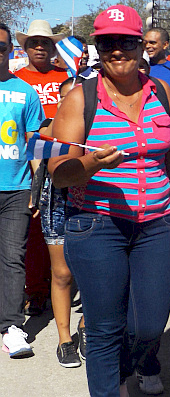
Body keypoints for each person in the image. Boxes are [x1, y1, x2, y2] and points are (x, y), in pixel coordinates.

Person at [48, 5, 170, 397]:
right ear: (98, 47)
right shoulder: (80, 98)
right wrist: (88, 163)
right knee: (105, 329)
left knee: (150, 326)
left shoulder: (160, 91)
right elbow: (58, 173)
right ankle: (108, 387)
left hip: (155, 225)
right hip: (97, 225)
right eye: (106, 42)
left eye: (125, 42)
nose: (116, 50)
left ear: (142, 46)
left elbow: (169, 157)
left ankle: (120, 374)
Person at [15, 19, 69, 316]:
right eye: (34, 42)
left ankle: (61, 283)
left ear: (52, 47)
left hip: (63, 161)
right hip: (28, 163)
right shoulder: (15, 80)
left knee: (63, 227)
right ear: (25, 47)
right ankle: (35, 290)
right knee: (35, 229)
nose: (39, 47)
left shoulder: (68, 77)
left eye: (45, 43)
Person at [32, 76, 85, 367]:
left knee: (95, 271)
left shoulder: (96, 123)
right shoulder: (49, 127)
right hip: (57, 201)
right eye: (64, 97)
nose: (70, 103)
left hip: (92, 199)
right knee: (62, 273)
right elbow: (37, 160)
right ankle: (65, 339)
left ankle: (87, 328)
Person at [0, 21, 45, 358]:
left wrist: (37, 189)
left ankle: (12, 327)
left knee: (13, 259)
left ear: (9, 51)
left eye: (2, 47)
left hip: (16, 189)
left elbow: (34, 146)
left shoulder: (26, 92)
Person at [143, 27, 170, 92]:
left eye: (152, 43)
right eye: (145, 43)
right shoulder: (135, 69)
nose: (147, 46)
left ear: (165, 45)